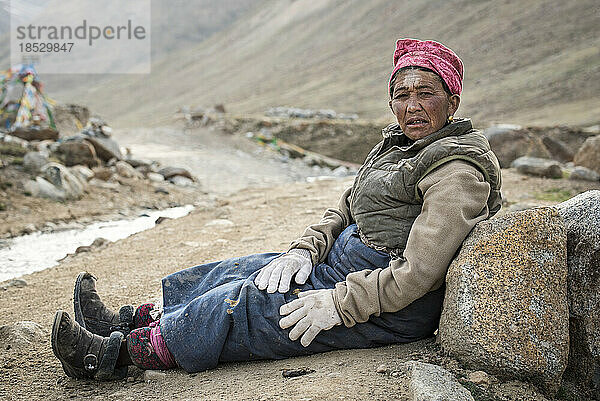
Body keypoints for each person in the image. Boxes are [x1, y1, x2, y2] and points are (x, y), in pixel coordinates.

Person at [51, 38, 502, 380]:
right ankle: (131, 319)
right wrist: (305, 250)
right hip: (343, 262)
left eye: (426, 93)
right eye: (402, 95)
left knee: (242, 306)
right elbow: (346, 206)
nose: (412, 106)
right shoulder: (397, 147)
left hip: (384, 301)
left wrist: (340, 303)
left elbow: (420, 274)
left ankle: (114, 357)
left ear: (453, 102)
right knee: (240, 270)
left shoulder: (457, 170)